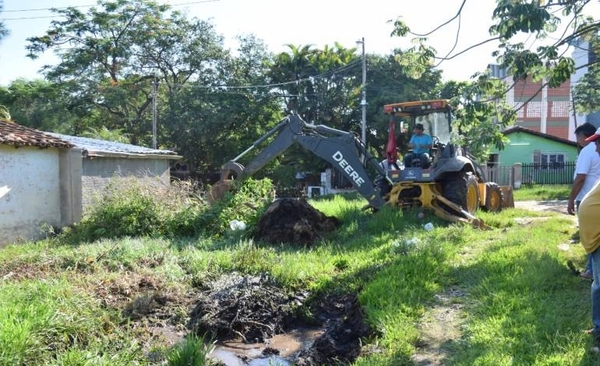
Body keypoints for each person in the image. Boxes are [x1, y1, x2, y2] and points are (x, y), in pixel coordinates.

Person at [568, 123, 600, 279]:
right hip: (595, 200)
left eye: (578, 136)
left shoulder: (587, 151)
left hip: (588, 200)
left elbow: (580, 178)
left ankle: (591, 270)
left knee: (589, 236)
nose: (577, 140)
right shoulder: (594, 152)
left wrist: (570, 199)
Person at [578, 127, 600, 350]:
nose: (596, 147)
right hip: (596, 241)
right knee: (598, 286)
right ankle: (598, 328)